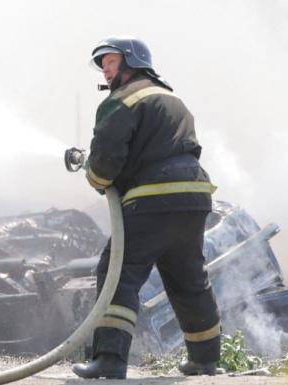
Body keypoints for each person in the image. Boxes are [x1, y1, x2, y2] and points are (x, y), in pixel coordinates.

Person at [72, 36, 221, 379]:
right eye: (103, 65)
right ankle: (205, 358)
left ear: (132, 62)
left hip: (154, 197)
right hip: (194, 196)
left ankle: (109, 359)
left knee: (117, 271)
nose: (106, 70)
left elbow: (106, 164)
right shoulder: (172, 98)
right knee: (188, 277)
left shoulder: (121, 101)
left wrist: (93, 173)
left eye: (111, 62)